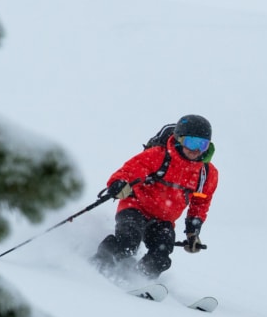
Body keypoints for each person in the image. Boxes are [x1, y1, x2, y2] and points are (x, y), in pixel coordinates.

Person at [92, 114, 219, 280]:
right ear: (179, 139)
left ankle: (137, 281)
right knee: (128, 242)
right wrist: (118, 183)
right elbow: (130, 170)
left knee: (161, 254)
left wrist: (192, 233)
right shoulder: (158, 155)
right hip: (135, 207)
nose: (196, 150)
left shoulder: (207, 173)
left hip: (163, 220)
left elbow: (200, 204)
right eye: (191, 142)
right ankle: (98, 266)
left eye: (202, 144)